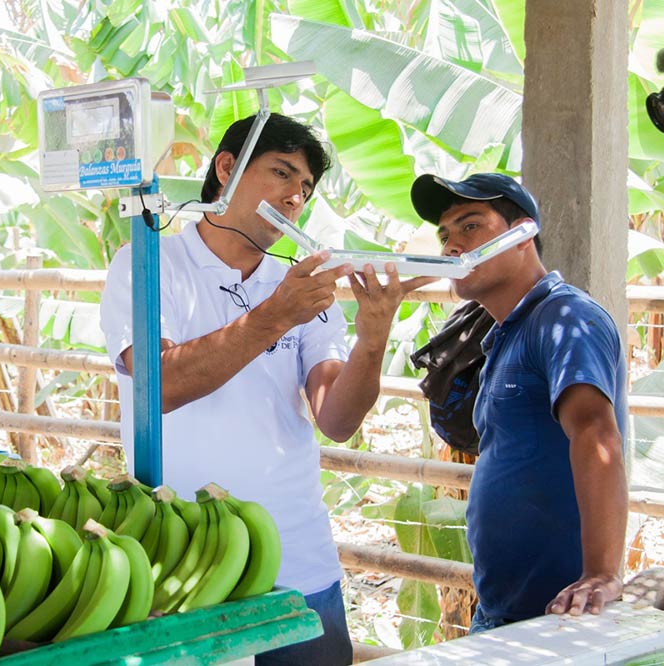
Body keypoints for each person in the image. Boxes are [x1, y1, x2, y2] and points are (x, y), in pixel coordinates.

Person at [100, 113, 432, 665]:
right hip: (184, 566)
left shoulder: (297, 284)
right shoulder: (150, 263)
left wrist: (373, 340)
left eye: (305, 187)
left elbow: (337, 419)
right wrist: (273, 317)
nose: (295, 196)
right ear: (226, 168)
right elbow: (158, 388)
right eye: (281, 172)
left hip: (299, 560)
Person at [409, 173, 629, 633]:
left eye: (470, 227)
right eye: (446, 235)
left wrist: (602, 574)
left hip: (560, 619)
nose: (453, 246)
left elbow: (595, 432)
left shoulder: (566, 317)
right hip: (503, 614)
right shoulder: (503, 335)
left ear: (522, 234)